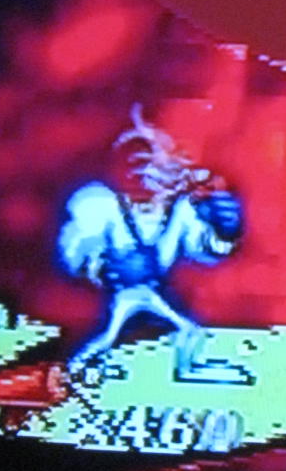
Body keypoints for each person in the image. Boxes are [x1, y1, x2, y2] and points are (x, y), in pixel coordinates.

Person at [59, 104, 250, 384]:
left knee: (188, 330)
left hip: (150, 291)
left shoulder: (181, 211)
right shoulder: (101, 205)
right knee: (106, 335)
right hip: (124, 294)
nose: (147, 170)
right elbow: (74, 253)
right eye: (138, 159)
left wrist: (226, 229)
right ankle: (73, 371)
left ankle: (188, 369)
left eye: (158, 161)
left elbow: (206, 249)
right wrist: (101, 267)